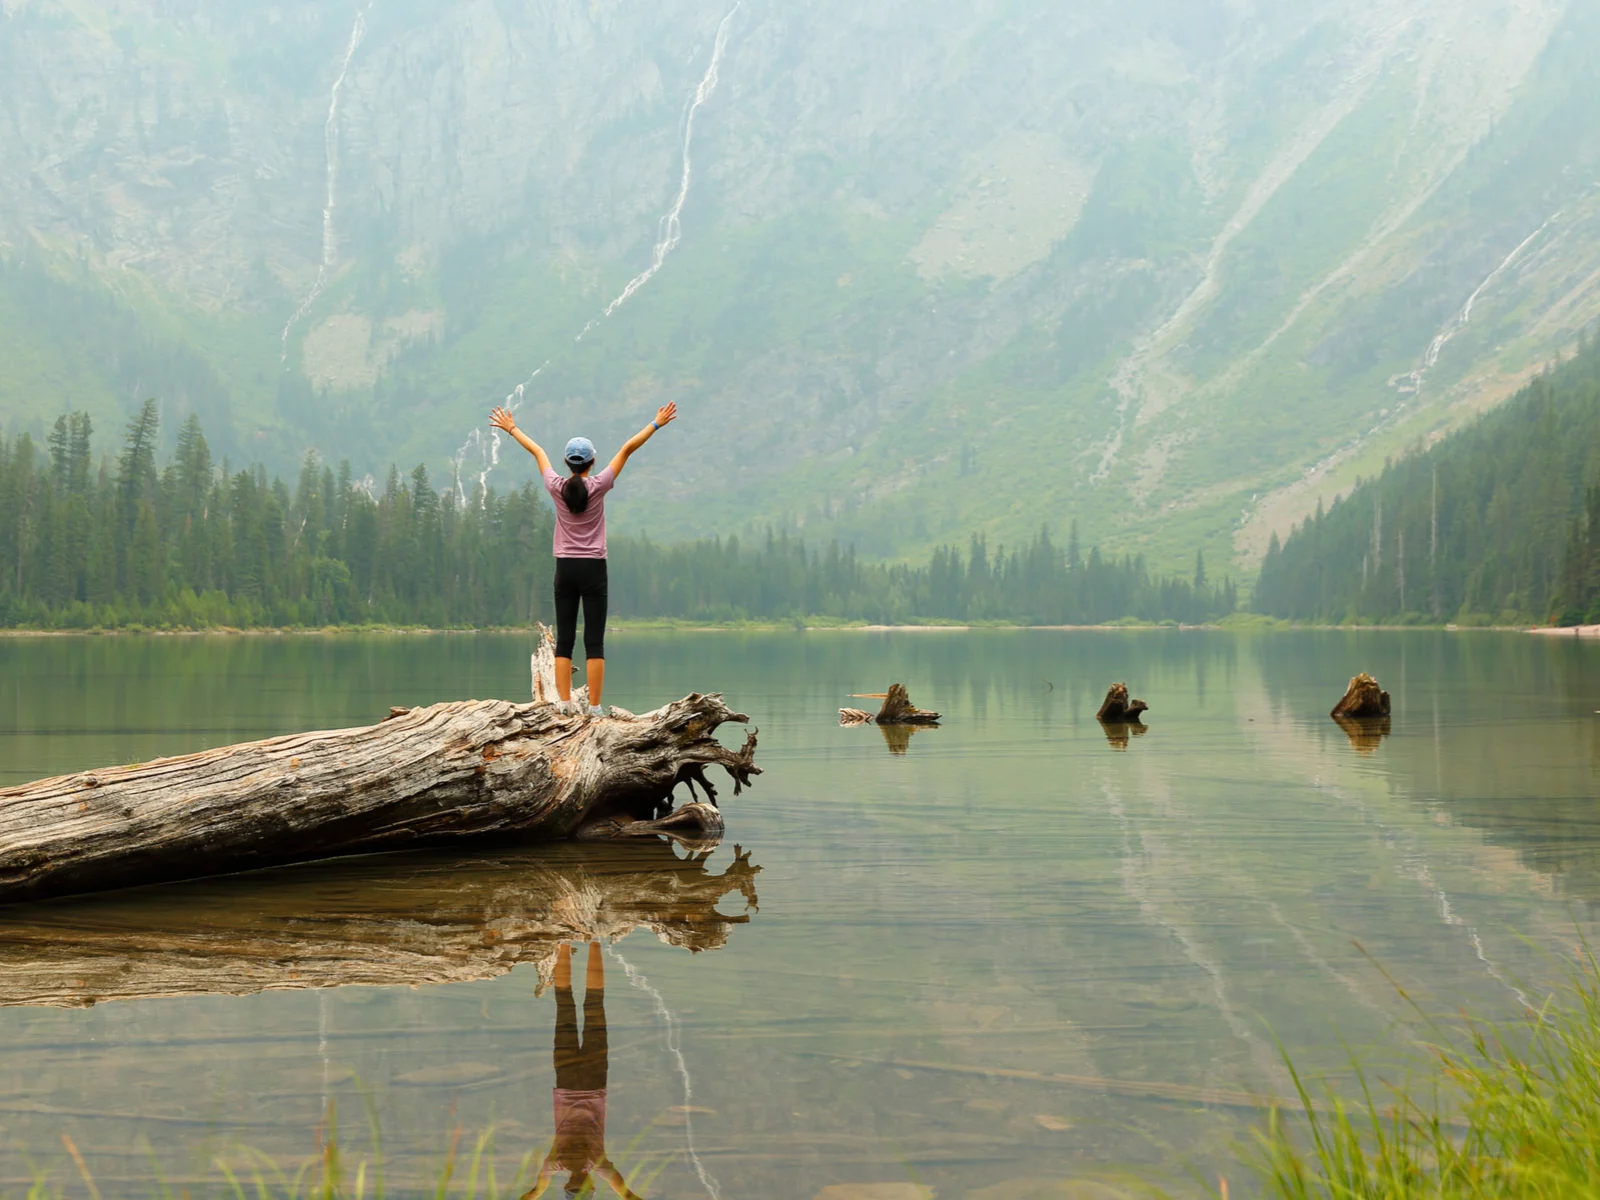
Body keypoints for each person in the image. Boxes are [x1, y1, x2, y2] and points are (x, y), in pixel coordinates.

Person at [489, 403, 678, 717]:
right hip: (593, 569)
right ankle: (594, 709)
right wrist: (656, 424)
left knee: (564, 641)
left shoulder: (555, 486)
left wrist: (511, 428)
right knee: (594, 642)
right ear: (592, 462)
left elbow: (537, 451)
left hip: (565, 568)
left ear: (567, 462)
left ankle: (563, 705)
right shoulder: (599, 485)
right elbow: (628, 448)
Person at [523, 941, 642, 1199]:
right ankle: (565, 942)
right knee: (564, 1004)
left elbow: (629, 1196)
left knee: (595, 1005)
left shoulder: (599, 1164)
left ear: (591, 1188)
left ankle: (595, 940)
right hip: (565, 1083)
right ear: (566, 1186)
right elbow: (534, 1193)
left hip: (594, 1081)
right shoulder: (553, 1164)